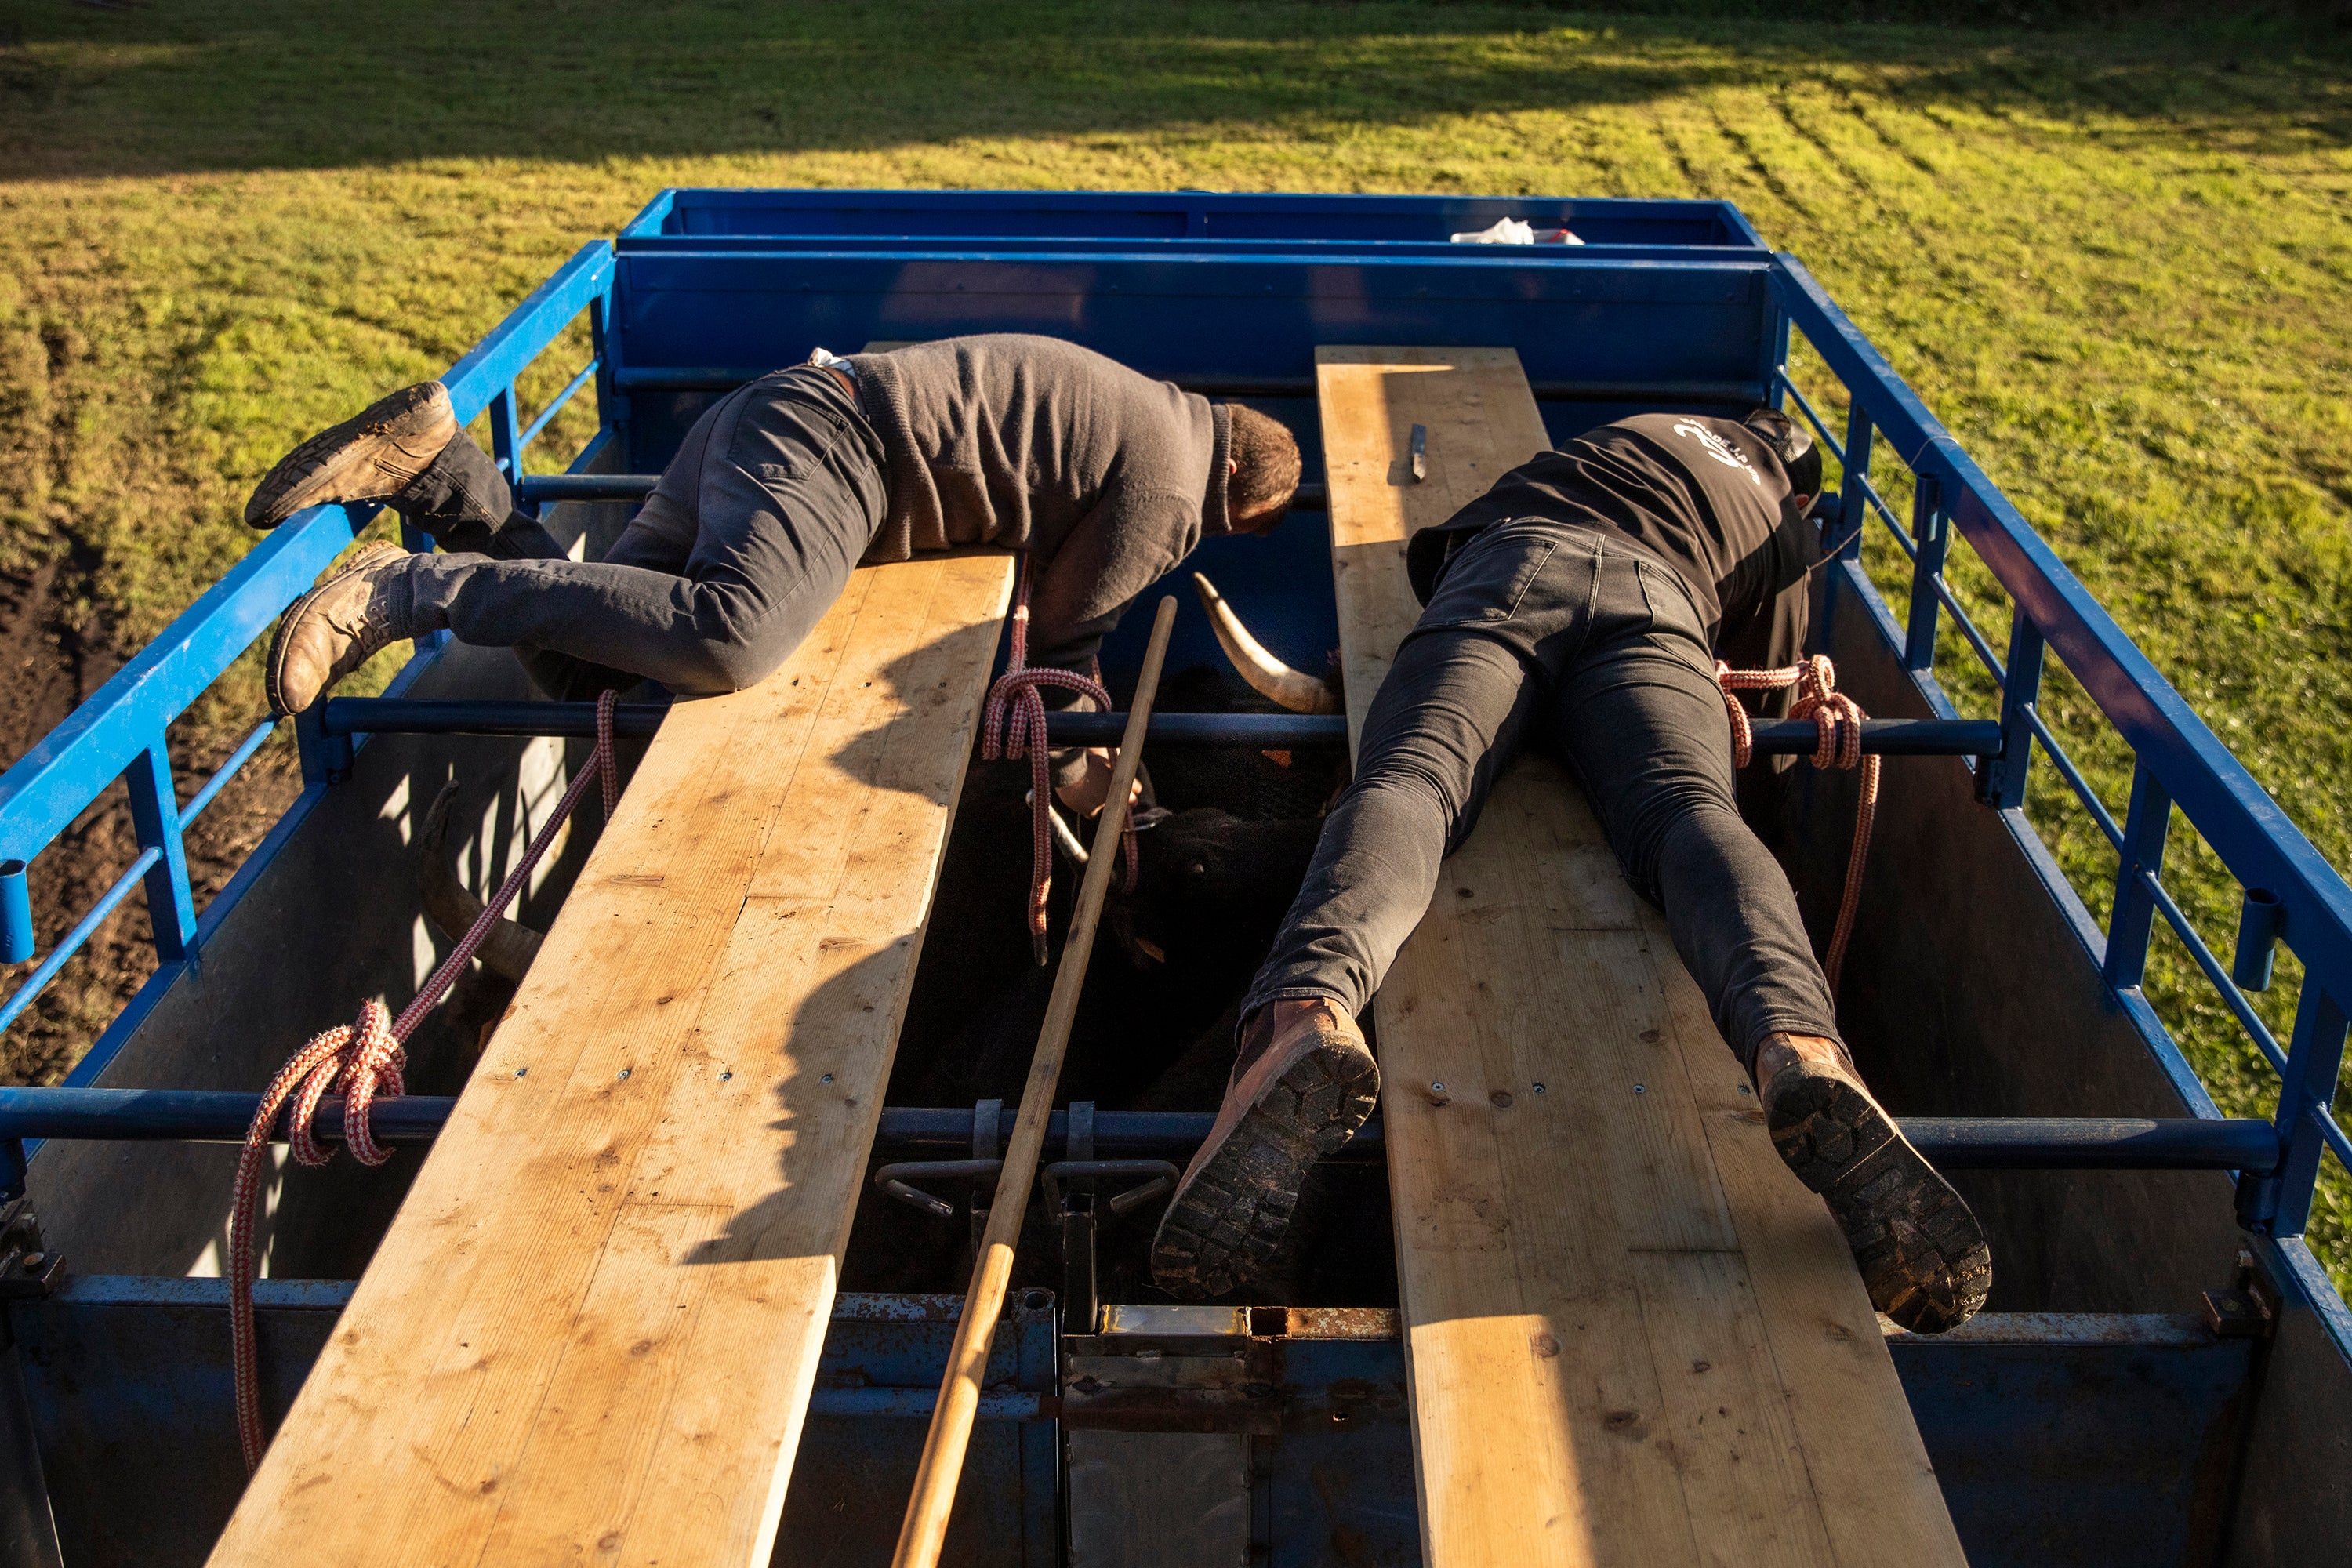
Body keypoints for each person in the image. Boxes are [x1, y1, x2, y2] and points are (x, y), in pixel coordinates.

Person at [1149, 408, 1993, 1334]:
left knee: (1415, 782)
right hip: (1659, 605)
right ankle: (1803, 1047)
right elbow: (1774, 694)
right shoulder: (1780, 522)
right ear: (1798, 489)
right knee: (1689, 814)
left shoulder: (1635, 429)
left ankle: (1303, 1018)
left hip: (1510, 569)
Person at [246, 335, 1301, 815]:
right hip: (834, 451)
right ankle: (408, 587)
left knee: (594, 677)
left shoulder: (1156, 417)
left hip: (782, 420)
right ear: (1243, 503)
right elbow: (1062, 655)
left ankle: (438, 475)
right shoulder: (1176, 489)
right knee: (728, 638)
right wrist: (1086, 778)